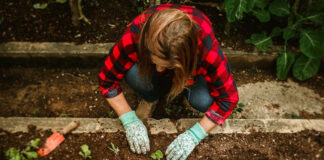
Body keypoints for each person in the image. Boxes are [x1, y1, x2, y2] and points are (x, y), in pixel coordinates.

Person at [98, 4, 239, 160]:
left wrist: (195, 134)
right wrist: (129, 120)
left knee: (203, 100)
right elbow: (107, 80)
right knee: (134, 74)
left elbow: (228, 98)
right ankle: (150, 97)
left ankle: (186, 90)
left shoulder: (205, 48)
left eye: (166, 65)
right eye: (155, 61)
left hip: (190, 72)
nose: (158, 69)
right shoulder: (136, 35)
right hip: (162, 62)